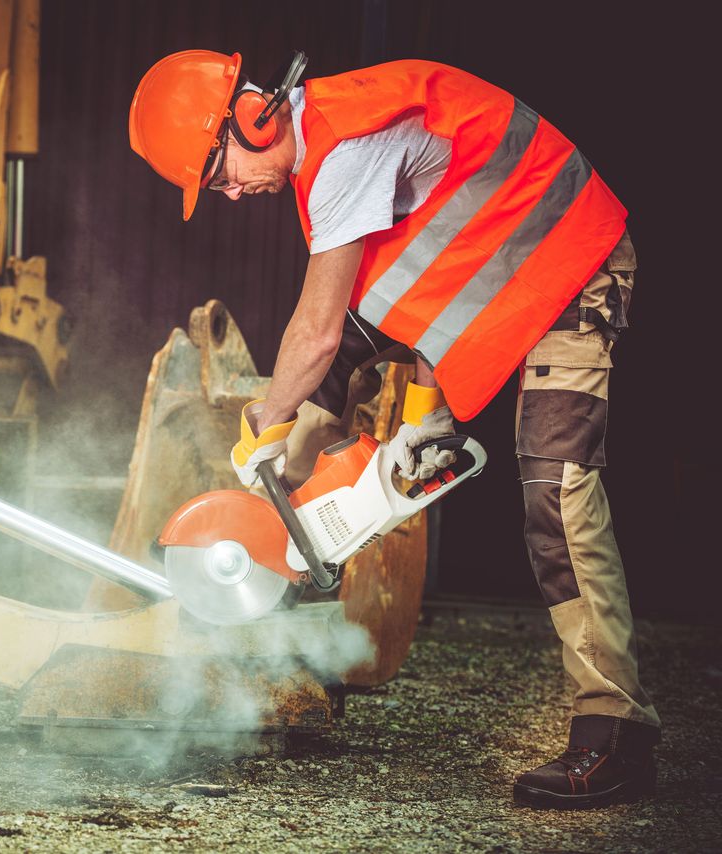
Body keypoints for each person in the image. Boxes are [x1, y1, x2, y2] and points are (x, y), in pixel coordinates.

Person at [129, 50, 659, 809]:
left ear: (252, 118)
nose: (234, 195)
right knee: (330, 391)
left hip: (568, 264)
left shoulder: (345, 149)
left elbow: (314, 334)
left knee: (558, 493)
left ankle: (617, 733)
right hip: (505, 272)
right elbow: (352, 330)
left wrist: (265, 427)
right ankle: (293, 560)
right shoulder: (327, 155)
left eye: (221, 177)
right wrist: (287, 452)